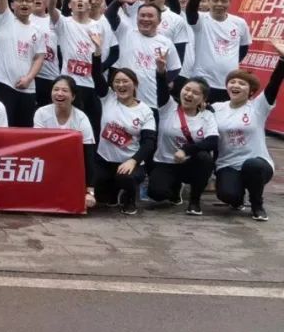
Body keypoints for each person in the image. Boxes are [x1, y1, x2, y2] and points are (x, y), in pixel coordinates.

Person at [212, 39, 284, 222]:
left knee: (253, 166)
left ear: (251, 91)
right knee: (228, 195)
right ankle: (237, 198)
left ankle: (257, 204)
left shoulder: (258, 107)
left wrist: (282, 60)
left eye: (242, 84)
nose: (236, 85)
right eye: (232, 82)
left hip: (257, 164)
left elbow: (274, 84)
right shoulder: (217, 108)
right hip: (228, 165)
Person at [89, 33, 158, 215]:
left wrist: (133, 161)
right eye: (117, 82)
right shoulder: (108, 98)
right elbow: (96, 75)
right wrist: (97, 52)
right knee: (100, 196)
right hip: (104, 160)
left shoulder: (145, 111)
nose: (121, 85)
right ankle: (112, 194)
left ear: (134, 84)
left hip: (129, 161)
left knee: (126, 178)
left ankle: (129, 198)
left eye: (125, 81)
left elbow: (149, 143)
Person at [48, 0, 117, 137]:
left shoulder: (100, 26)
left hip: (92, 84)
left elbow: (108, 54)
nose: (80, 0)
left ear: (89, 5)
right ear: (70, 5)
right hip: (70, 84)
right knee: (69, 129)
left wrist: (98, 55)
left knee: (91, 130)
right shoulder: (64, 23)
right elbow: (50, 8)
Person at [148, 75, 218, 216]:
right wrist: (161, 72)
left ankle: (194, 201)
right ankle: (175, 188)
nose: (189, 94)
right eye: (187, 89)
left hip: (190, 164)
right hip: (165, 162)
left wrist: (186, 150)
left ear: (203, 99)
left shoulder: (207, 116)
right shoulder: (168, 107)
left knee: (205, 158)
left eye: (196, 93)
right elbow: (162, 87)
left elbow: (212, 141)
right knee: (157, 194)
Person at [0, 0, 46, 127]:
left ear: (32, 5)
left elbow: (39, 57)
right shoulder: (6, 19)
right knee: (3, 128)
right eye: (20, 0)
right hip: (3, 84)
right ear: (13, 5)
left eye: (28, 1)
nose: (24, 3)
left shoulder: (38, 30)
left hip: (28, 87)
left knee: (24, 130)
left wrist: (29, 78)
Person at [105, 0, 181, 109]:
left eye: (150, 16)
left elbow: (175, 68)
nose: (145, 19)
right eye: (142, 15)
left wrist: (160, 82)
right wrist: (118, 1)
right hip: (124, 100)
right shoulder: (126, 32)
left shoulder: (166, 43)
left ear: (159, 20)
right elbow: (109, 16)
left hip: (151, 102)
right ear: (137, 18)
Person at [185, 0, 252, 103]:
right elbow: (191, 13)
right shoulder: (201, 19)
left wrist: (228, 62)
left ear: (229, 2)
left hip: (229, 83)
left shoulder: (239, 23)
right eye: (215, 0)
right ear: (209, 2)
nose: (219, 4)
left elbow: (243, 48)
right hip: (203, 82)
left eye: (224, 0)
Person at [33, 75, 96, 209]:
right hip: (47, 165)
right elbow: (38, 147)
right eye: (56, 89)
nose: (59, 93)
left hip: (71, 167)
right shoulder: (41, 113)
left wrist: (89, 191)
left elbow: (88, 154)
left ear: (73, 96)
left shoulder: (81, 118)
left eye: (64, 90)